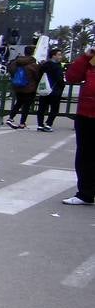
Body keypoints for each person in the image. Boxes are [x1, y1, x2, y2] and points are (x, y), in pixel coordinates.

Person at [62, 46, 95, 205]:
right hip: (86, 114)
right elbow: (71, 77)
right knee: (85, 156)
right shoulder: (90, 61)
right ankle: (86, 193)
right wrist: (84, 58)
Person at [6, 45, 41, 129]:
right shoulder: (33, 64)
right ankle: (22, 123)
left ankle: (10, 118)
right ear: (33, 52)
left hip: (18, 86)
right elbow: (37, 76)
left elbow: (10, 69)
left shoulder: (17, 62)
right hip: (30, 88)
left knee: (18, 103)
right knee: (26, 106)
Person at [35, 48, 66, 132]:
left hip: (44, 89)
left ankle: (40, 125)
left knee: (41, 108)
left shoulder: (44, 66)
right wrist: (62, 86)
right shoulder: (57, 66)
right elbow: (59, 79)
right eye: (59, 55)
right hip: (54, 90)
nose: (60, 56)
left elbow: (38, 76)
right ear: (53, 56)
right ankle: (48, 124)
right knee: (54, 109)